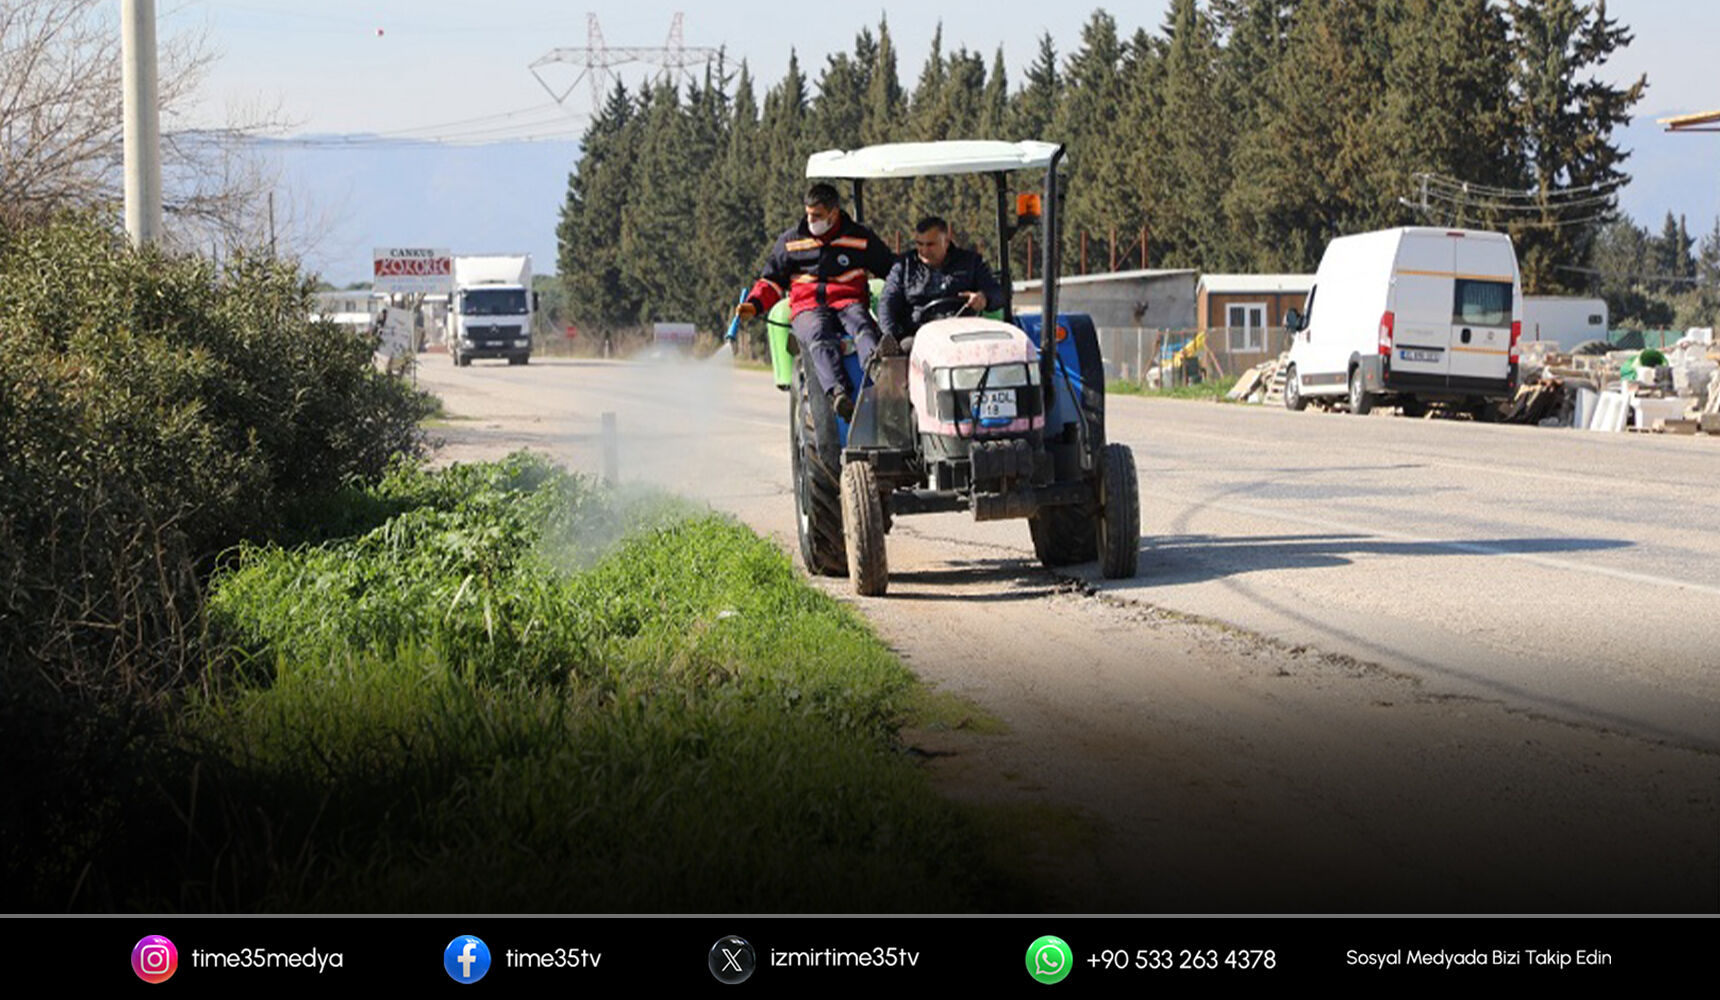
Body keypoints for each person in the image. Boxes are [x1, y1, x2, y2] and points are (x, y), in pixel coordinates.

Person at [735, 183, 895, 419]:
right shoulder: (791, 241)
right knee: (818, 335)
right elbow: (771, 281)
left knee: (863, 328)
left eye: (817, 215)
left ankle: (880, 376)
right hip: (808, 307)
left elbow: (890, 269)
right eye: (808, 214)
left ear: (834, 213)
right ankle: (838, 394)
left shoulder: (860, 238)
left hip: (848, 301)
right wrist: (754, 304)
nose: (811, 220)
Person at [879, 216, 1005, 345]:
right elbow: (887, 301)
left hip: (962, 332)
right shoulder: (904, 266)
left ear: (946, 241)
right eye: (919, 244)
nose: (924, 251)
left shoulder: (971, 262)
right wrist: (892, 335)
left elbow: (998, 293)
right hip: (919, 335)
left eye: (930, 245)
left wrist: (984, 298)